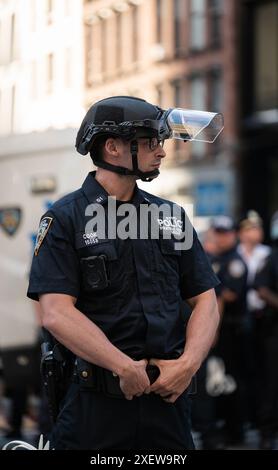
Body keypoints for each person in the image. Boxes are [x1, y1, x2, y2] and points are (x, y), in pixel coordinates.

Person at [27, 96, 220, 450]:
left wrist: (188, 364)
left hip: (168, 404)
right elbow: (56, 313)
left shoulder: (170, 216)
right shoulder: (65, 218)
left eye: (160, 141)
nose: (160, 151)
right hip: (95, 409)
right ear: (112, 147)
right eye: (149, 141)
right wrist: (123, 367)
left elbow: (206, 299)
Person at [209, 216, 248, 446]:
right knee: (219, 378)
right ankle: (225, 424)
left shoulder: (235, 261)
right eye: (218, 232)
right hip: (220, 329)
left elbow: (227, 296)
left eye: (225, 232)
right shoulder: (215, 259)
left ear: (233, 234)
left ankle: (237, 428)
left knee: (234, 378)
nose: (221, 237)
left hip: (233, 329)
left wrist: (212, 327)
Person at [254, 211, 278, 449]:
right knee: (271, 381)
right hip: (274, 330)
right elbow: (260, 288)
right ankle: (266, 431)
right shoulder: (273, 256)